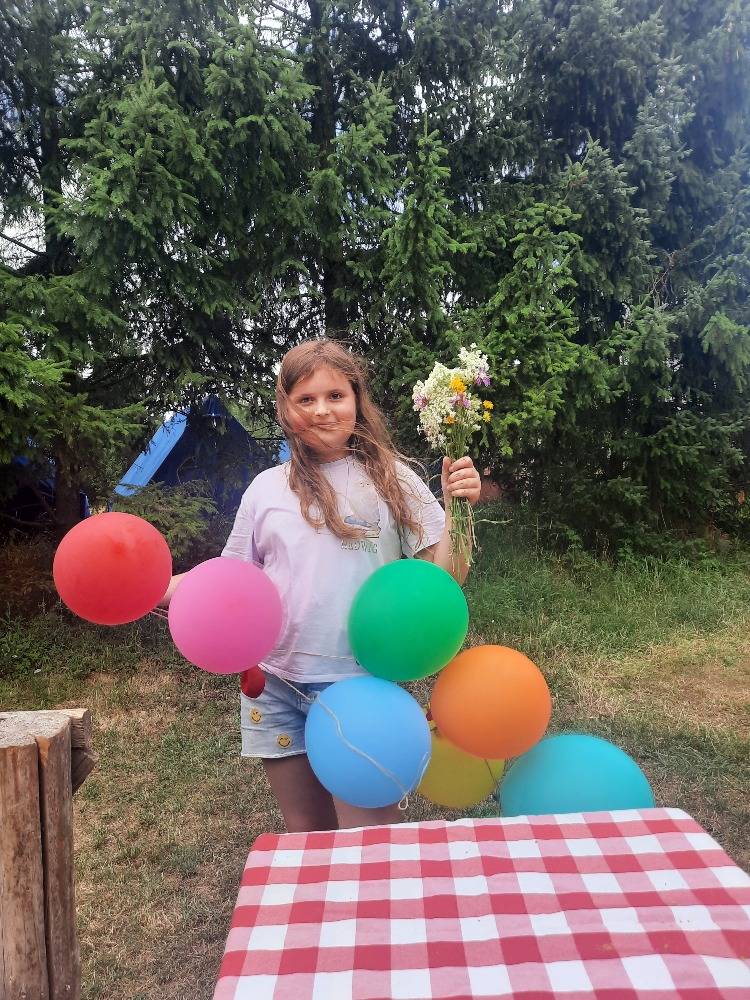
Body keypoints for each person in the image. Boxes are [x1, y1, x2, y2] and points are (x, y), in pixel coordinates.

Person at [161, 338, 481, 832]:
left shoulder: (394, 479)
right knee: (307, 836)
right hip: (276, 685)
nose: (322, 410)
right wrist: (155, 586)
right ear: (286, 410)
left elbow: (443, 579)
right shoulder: (267, 488)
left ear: (357, 400)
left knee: (369, 837)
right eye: (305, 399)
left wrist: (458, 507)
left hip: (362, 685)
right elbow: (231, 579)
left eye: (335, 396)